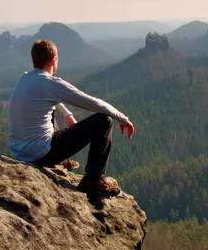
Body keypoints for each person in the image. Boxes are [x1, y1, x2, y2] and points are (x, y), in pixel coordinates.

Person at [7, 39, 134, 196]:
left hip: (18, 151)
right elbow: (95, 104)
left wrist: (67, 115)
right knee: (104, 121)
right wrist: (122, 118)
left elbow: (48, 99)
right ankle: (93, 180)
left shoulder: (25, 78)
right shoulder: (50, 83)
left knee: (44, 111)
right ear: (54, 59)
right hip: (40, 154)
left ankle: (62, 161)